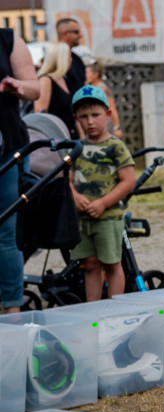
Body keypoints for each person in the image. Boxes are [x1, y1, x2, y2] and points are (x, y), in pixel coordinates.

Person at [67, 85, 135, 302]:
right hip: (83, 219)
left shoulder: (116, 147)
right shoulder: (76, 148)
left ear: (107, 115)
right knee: (91, 264)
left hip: (108, 218)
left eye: (95, 115)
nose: (89, 122)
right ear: (76, 118)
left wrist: (103, 203)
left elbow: (128, 181)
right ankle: (93, 311)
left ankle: (113, 311)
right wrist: (75, 197)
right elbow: (67, 180)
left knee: (112, 264)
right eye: (83, 116)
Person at [0, 27, 39, 314]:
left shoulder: (7, 39)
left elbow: (35, 87)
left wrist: (18, 86)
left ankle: (13, 309)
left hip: (6, 149)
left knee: (6, 233)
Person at [34, 41, 77, 137]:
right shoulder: (46, 80)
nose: (71, 60)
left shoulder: (65, 79)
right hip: (56, 137)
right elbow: (40, 113)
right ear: (61, 58)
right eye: (69, 56)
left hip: (69, 135)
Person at [85, 60, 122, 139]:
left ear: (96, 74)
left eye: (88, 73)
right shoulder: (87, 88)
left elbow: (112, 108)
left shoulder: (104, 89)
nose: (86, 76)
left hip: (105, 124)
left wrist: (117, 127)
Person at [55, 17, 86, 94]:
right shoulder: (53, 60)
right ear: (65, 34)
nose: (80, 35)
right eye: (76, 32)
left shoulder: (77, 60)